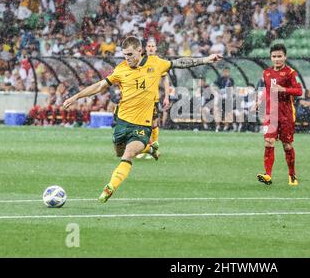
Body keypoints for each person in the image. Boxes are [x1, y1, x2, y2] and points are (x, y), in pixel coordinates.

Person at [63, 36, 222, 203]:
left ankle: (110, 187)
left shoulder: (156, 63)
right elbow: (100, 86)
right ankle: (149, 149)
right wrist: (76, 97)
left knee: (128, 154)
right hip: (122, 122)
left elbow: (180, 62)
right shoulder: (121, 69)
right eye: (125, 55)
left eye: (130, 54)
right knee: (119, 152)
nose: (127, 58)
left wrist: (206, 59)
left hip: (142, 125)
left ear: (140, 50)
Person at [255, 43, 303, 186]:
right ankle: (268, 175)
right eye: (274, 56)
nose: (277, 59)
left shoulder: (291, 73)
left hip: (286, 114)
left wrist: (283, 89)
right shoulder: (266, 73)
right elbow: (268, 90)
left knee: (287, 145)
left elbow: (299, 91)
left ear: (285, 57)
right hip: (270, 114)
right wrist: (259, 101)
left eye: (279, 56)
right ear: (270, 58)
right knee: (268, 142)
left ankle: (292, 174)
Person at [135, 38, 171, 160]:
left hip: (153, 99)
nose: (150, 48)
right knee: (140, 125)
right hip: (140, 99)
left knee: (153, 124)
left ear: (156, 48)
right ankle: (142, 148)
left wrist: (166, 96)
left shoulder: (159, 62)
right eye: (149, 46)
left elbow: (165, 79)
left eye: (153, 46)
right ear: (145, 48)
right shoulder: (140, 60)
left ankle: (154, 149)